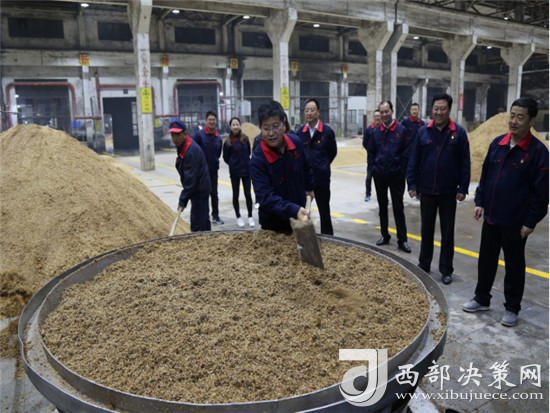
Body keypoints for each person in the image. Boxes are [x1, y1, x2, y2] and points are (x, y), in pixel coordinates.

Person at [462, 97, 549, 327]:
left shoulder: (538, 152)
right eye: (512, 115)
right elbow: (485, 177)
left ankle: (512, 308)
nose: (514, 121)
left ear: (532, 120)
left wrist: (530, 221)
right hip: (491, 217)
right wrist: (479, 202)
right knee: (486, 261)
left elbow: (542, 193)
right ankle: (482, 298)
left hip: (516, 222)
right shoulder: (497, 144)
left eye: (520, 117)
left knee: (514, 266)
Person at [407, 93, 470, 285]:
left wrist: (463, 187)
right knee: (426, 230)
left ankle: (446, 269)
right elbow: (414, 159)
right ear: (432, 109)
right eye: (436, 108)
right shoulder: (423, 132)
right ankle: (424, 264)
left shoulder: (459, 133)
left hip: (448, 191)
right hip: (426, 190)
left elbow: (464, 163)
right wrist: (412, 183)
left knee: (447, 232)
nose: (439, 112)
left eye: (443, 109)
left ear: (449, 110)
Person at [250, 100, 314, 232]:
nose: (271, 133)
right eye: (266, 128)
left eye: (275, 126)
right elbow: (266, 198)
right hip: (273, 225)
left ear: (283, 125)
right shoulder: (258, 159)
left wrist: (309, 188)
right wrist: (293, 210)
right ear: (260, 128)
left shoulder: (295, 142)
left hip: (299, 218)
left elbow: (306, 167)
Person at [368, 101, 411, 253]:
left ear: (392, 111)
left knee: (398, 207)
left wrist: (401, 170)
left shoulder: (401, 130)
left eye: (387, 111)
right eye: (382, 112)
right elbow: (371, 152)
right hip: (379, 175)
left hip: (396, 176)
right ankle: (385, 235)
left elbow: (407, 152)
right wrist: (373, 169)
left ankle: (402, 240)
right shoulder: (376, 132)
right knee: (382, 207)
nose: (384, 114)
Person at [296, 98, 337, 235]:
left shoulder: (327, 132)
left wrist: (322, 165)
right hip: (304, 180)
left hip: (321, 180)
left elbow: (332, 152)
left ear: (318, 112)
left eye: (312, 110)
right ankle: (303, 238)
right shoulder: (300, 133)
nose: (309, 113)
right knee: (302, 211)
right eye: (306, 110)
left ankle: (328, 238)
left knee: (324, 211)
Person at [169, 120, 211, 232]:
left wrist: (182, 201)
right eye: (173, 135)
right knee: (203, 221)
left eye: (178, 135)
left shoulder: (190, 151)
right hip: (198, 189)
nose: (175, 138)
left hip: (199, 190)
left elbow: (190, 180)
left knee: (198, 225)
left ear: (185, 134)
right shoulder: (183, 147)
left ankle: (200, 241)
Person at [192, 111, 224, 224]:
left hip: (213, 171)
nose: (211, 122)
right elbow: (192, 149)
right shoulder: (199, 135)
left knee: (214, 193)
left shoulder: (218, 137)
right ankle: (204, 217)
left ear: (216, 121)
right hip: (201, 172)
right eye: (209, 119)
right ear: (206, 121)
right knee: (202, 194)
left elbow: (218, 153)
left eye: (213, 120)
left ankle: (215, 216)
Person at [223, 117, 255, 228]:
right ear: (230, 127)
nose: (235, 127)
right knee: (235, 194)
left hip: (246, 171)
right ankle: (238, 217)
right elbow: (225, 157)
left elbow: (248, 152)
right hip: (235, 172)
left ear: (240, 125)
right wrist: (233, 164)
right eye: (233, 125)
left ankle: (250, 216)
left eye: (237, 124)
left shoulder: (245, 139)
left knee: (248, 194)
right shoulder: (227, 142)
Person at [362, 109, 381, 202]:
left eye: (379, 116)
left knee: (381, 179)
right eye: (376, 116)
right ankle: (367, 194)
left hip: (381, 158)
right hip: (371, 158)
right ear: (373, 117)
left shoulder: (383, 129)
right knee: (369, 177)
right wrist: (370, 151)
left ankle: (382, 195)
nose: (377, 117)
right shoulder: (369, 130)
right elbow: (364, 143)